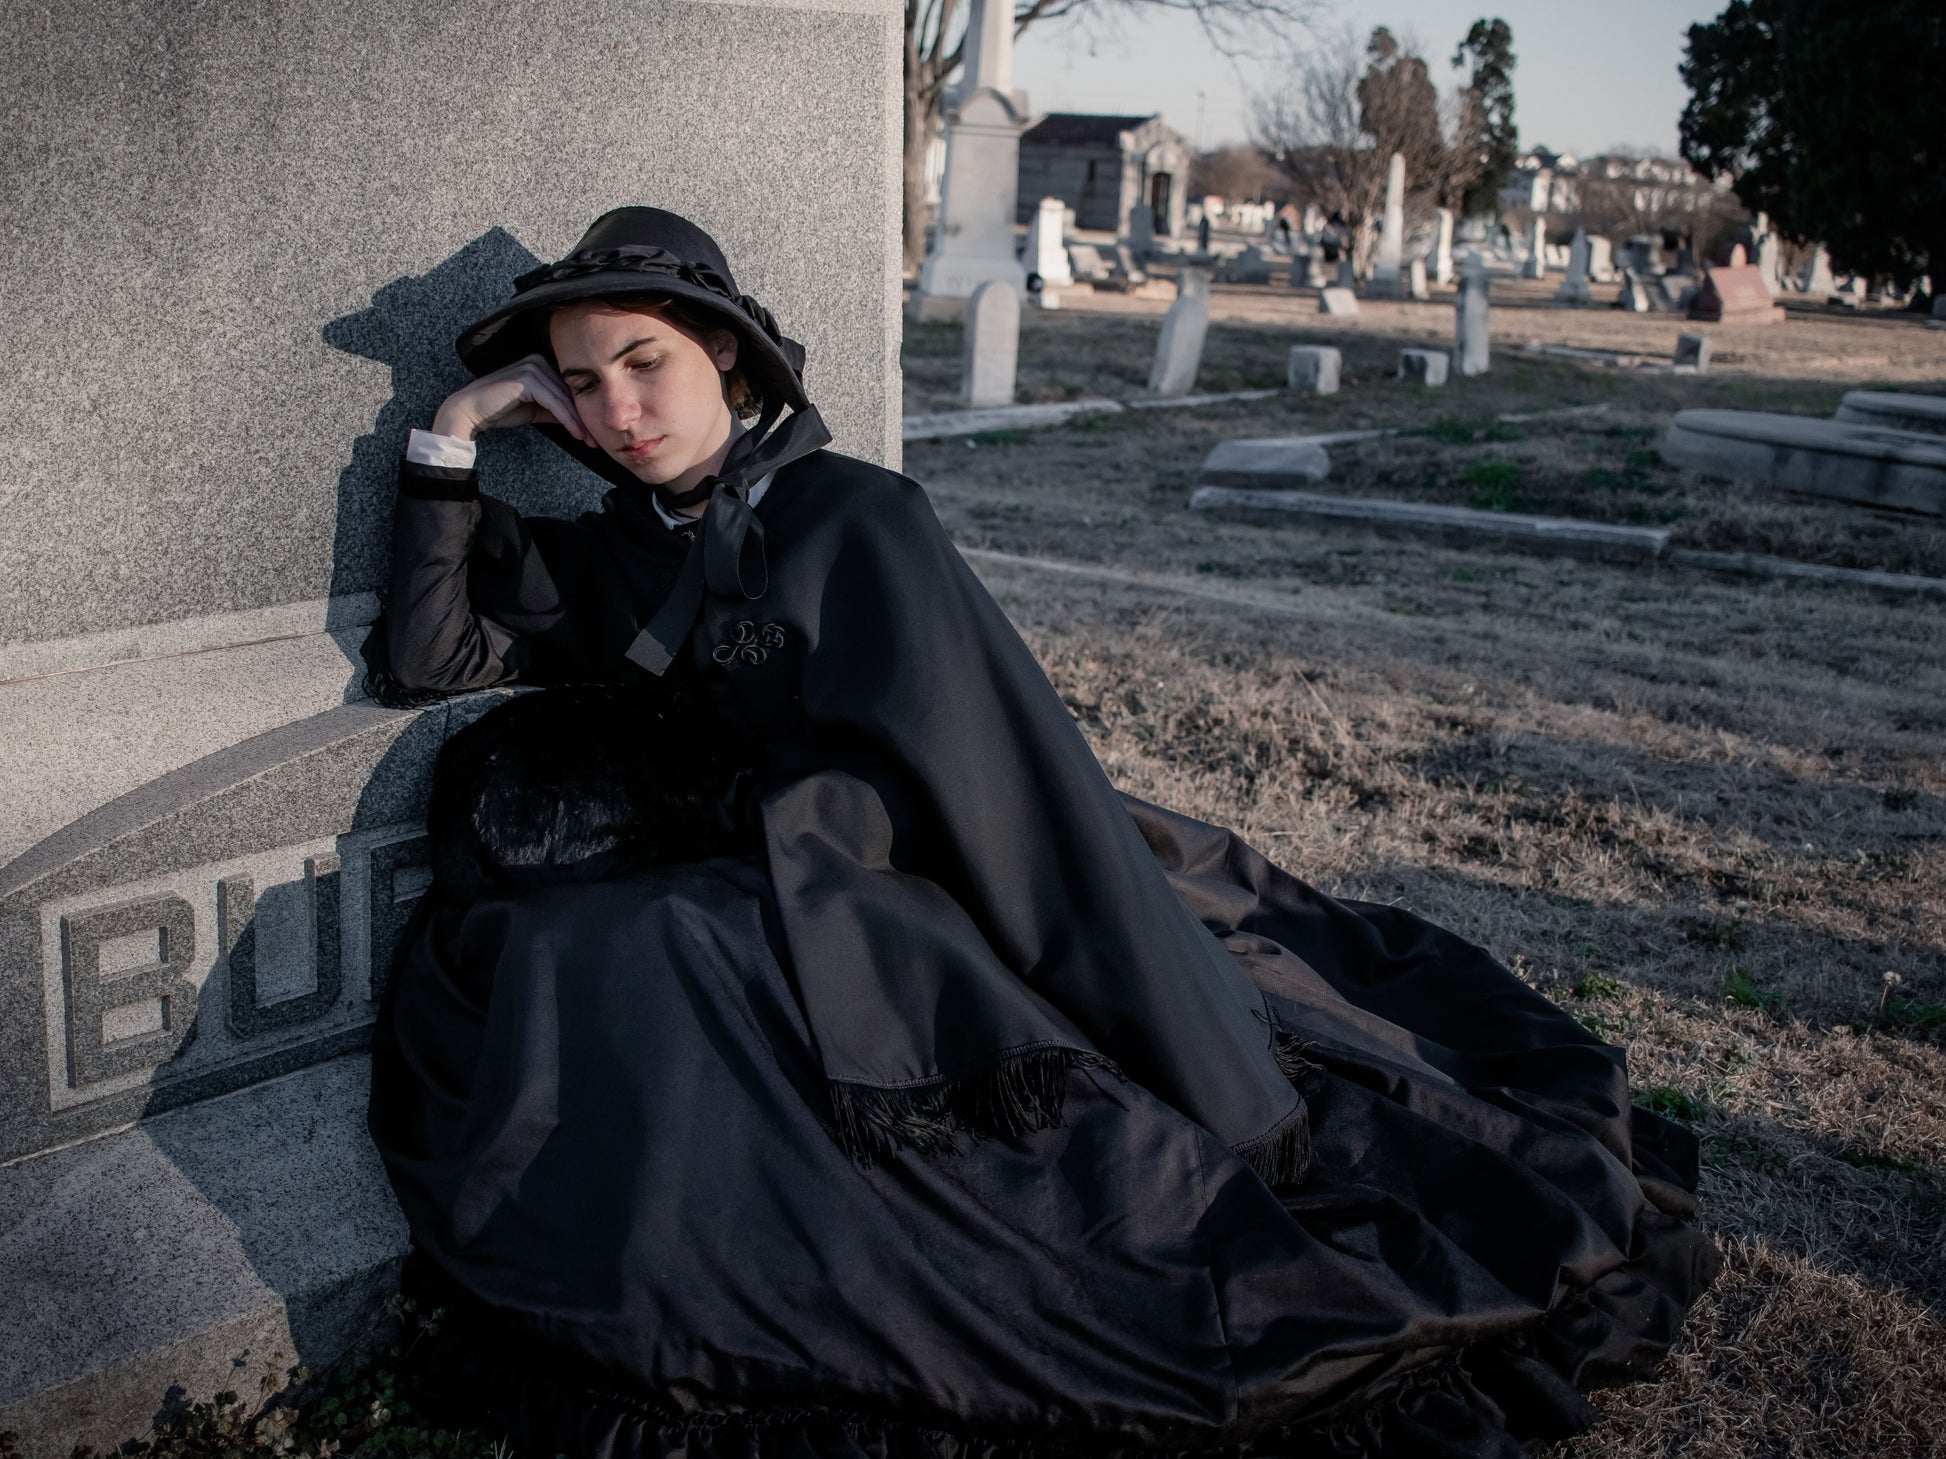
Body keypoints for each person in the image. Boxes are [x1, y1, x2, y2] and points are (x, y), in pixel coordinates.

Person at [366, 206, 1719, 1459]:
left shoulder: (858, 519)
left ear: (724, 350)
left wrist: (1213, 1083)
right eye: (583, 383)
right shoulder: (614, 548)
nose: (616, 411)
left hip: (921, 878)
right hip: (763, 881)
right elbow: (429, 657)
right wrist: (455, 428)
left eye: (643, 363)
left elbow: (1002, 792)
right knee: (585, 959)